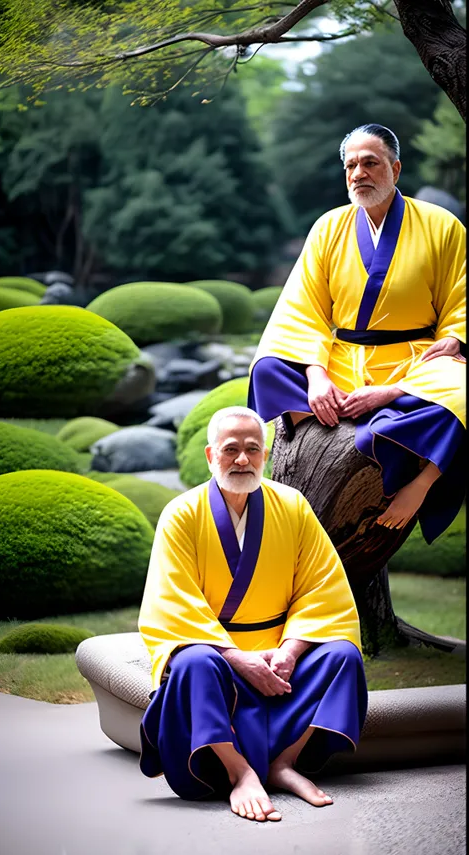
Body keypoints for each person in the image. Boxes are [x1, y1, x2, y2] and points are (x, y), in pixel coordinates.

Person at [138, 406, 368, 823]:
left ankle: (284, 762)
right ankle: (239, 770)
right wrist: (236, 657)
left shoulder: (293, 507)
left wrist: (291, 651)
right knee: (191, 661)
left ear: (266, 456)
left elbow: (322, 589)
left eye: (252, 449)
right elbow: (172, 604)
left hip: (279, 657)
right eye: (230, 450)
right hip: (217, 659)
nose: (242, 459)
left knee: (343, 657)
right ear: (211, 456)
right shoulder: (182, 514)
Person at [248, 123, 465, 544]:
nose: (359, 174)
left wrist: (454, 338)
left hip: (413, 361)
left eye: (370, 163)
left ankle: (415, 481)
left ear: (395, 169)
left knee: (461, 393)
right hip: (341, 358)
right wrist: (315, 375)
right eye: (351, 166)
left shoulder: (442, 226)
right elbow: (301, 308)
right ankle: (348, 415)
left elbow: (462, 293)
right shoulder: (329, 227)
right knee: (269, 366)